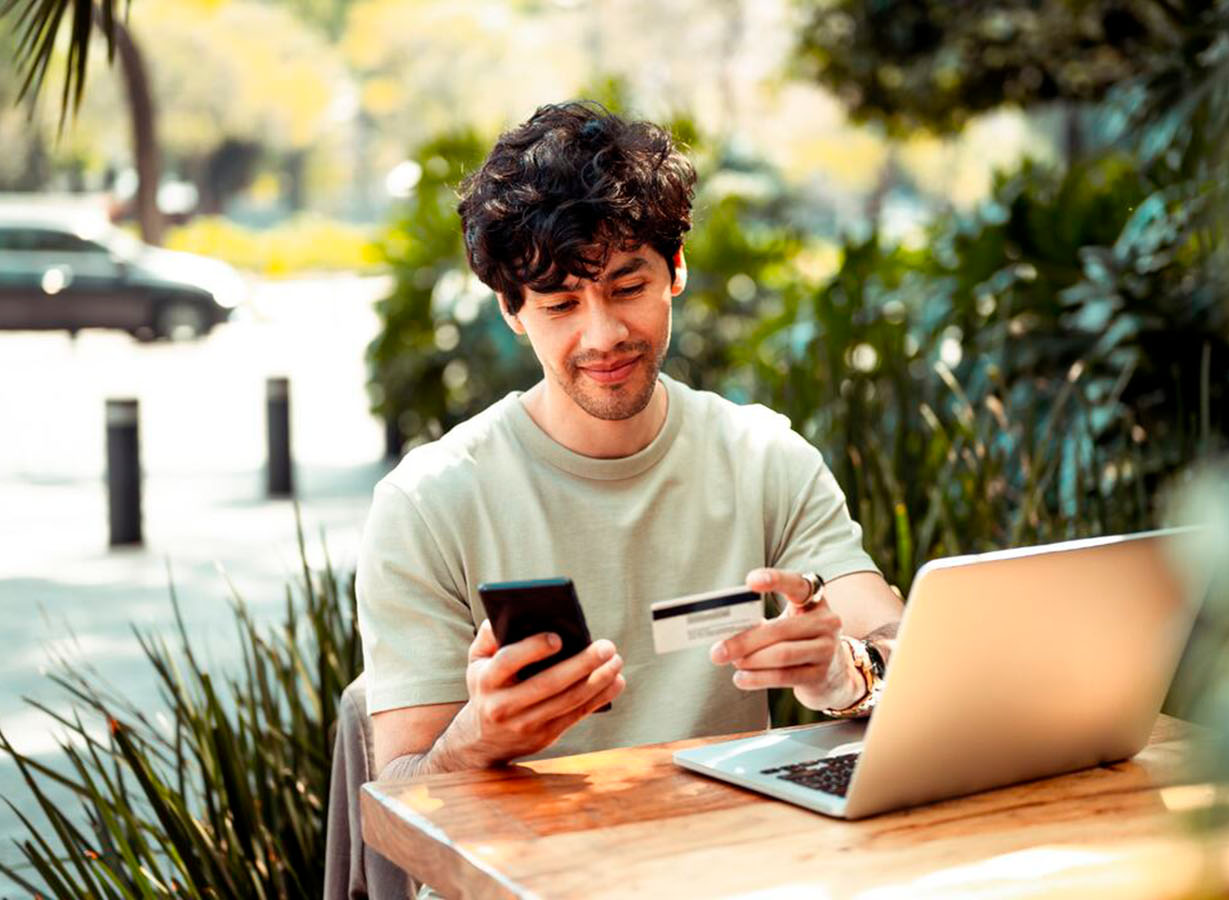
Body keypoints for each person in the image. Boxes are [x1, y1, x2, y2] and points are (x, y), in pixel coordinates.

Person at [357, 101, 904, 785]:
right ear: (512, 310)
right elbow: (400, 791)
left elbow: (903, 656)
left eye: (628, 286)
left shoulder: (764, 459)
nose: (603, 334)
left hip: (726, 865)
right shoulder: (429, 501)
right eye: (559, 304)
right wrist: (474, 739)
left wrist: (845, 672)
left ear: (676, 269)